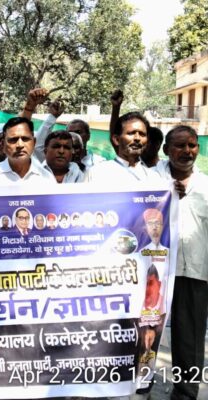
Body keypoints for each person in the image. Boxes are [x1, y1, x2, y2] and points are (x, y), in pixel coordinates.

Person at [154, 125, 208, 400]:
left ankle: (186, 392)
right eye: (180, 145)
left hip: (193, 271)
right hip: (152, 271)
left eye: (192, 145)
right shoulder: (150, 178)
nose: (187, 151)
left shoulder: (206, 185)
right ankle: (136, 386)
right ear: (166, 149)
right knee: (143, 330)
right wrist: (163, 192)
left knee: (190, 336)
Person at [84, 112, 161, 184]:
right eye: (131, 133)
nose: (137, 138)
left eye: (142, 134)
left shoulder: (154, 178)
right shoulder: (97, 173)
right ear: (116, 140)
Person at [0, 117, 55, 186]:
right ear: (4, 145)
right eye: (13, 140)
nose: (20, 145)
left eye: (25, 139)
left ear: (34, 142)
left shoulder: (46, 178)